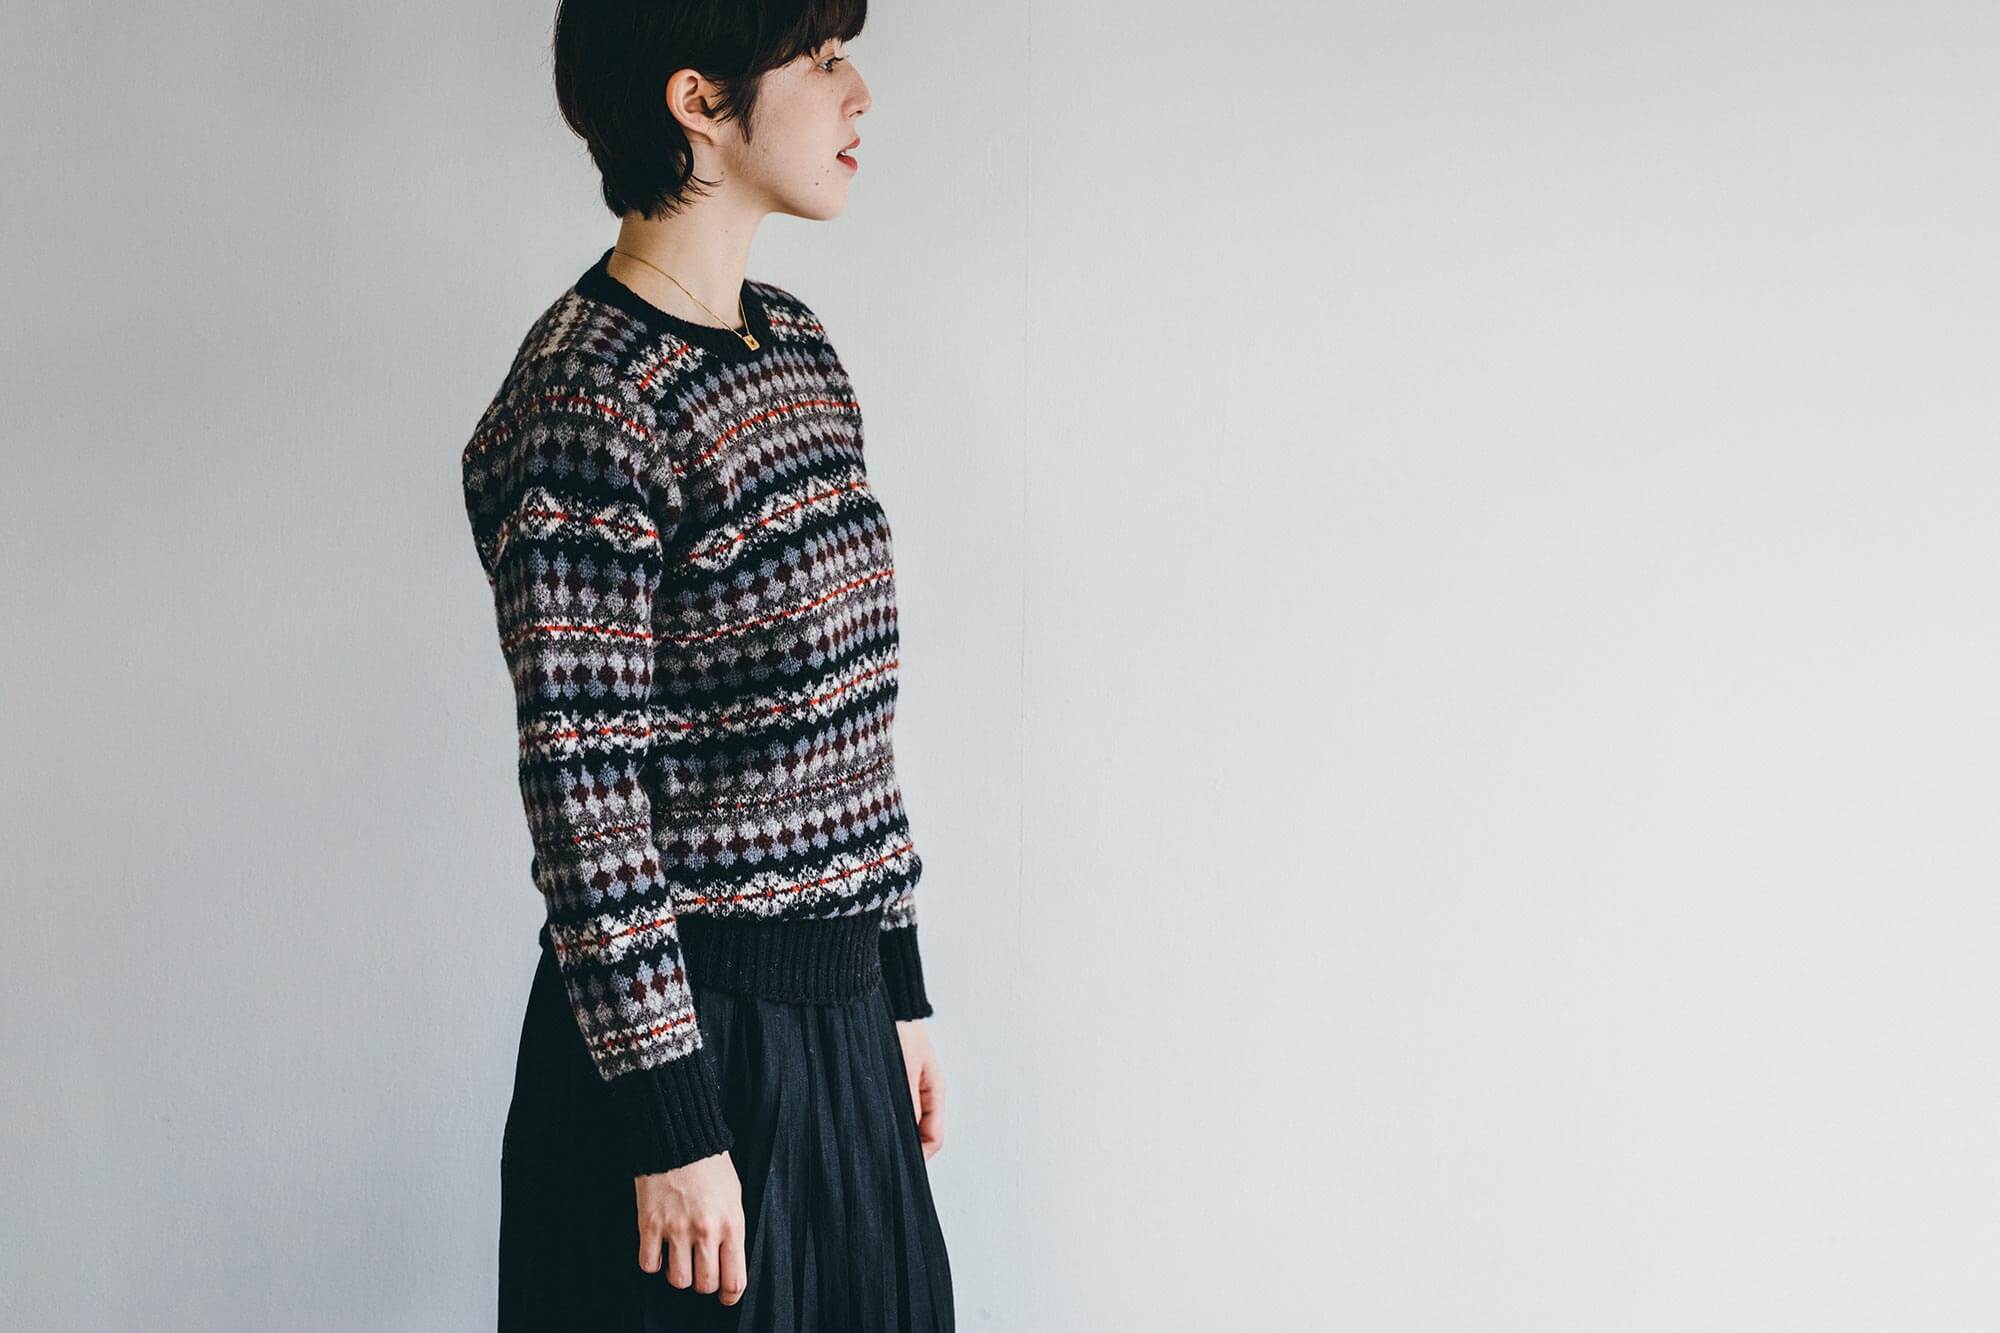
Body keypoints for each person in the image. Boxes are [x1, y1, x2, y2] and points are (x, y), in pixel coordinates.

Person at [458, 2, 954, 1327]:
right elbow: (585, 797)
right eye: (822, 58)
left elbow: (852, 722)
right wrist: (670, 1122)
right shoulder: (588, 401)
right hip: (688, 1050)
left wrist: (896, 983)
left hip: (840, 1021)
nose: (858, 92)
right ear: (699, 101)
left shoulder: (794, 346)